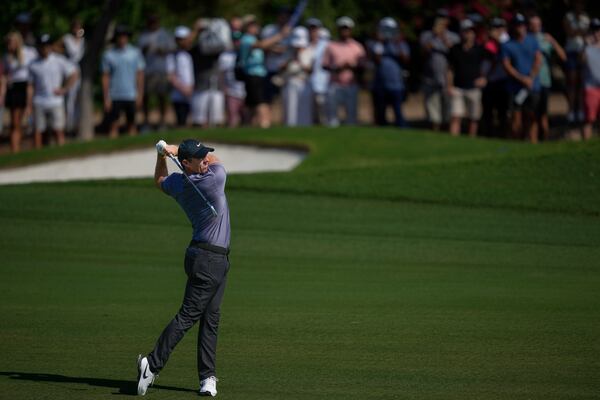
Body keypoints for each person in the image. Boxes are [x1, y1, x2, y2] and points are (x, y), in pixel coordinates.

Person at [137, 138, 231, 397]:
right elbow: (217, 161)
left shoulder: (180, 183)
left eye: (204, 156)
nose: (205, 160)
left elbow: (159, 181)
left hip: (207, 256)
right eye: (198, 158)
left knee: (211, 318)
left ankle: (207, 378)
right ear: (186, 163)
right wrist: (175, 150)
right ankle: (152, 364)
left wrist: (162, 156)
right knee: (189, 314)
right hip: (210, 260)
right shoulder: (213, 180)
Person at [238, 16, 291, 128]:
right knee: (261, 101)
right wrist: (281, 35)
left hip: (257, 75)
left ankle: (249, 125)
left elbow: (268, 47)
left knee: (252, 103)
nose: (256, 27)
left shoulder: (253, 39)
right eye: (252, 25)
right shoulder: (247, 39)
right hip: (253, 75)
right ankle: (264, 123)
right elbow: (262, 45)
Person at [27, 34, 78, 148]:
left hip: (56, 101)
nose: (44, 48)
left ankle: (61, 154)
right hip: (39, 101)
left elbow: (74, 73)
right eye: (42, 46)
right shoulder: (33, 64)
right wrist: (29, 104)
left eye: (47, 46)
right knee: (38, 131)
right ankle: (38, 156)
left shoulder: (59, 60)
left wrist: (64, 89)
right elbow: (30, 86)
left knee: (58, 130)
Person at [502, 14, 542, 143]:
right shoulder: (507, 45)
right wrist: (522, 79)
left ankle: (533, 143)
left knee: (532, 116)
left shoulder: (532, 40)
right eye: (518, 25)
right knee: (516, 117)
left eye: (523, 24)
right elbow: (507, 66)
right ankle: (517, 144)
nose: (521, 27)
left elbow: (538, 60)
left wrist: (530, 78)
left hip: (532, 85)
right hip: (515, 87)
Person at [101, 25, 145, 138]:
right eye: (119, 36)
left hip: (131, 94)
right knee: (113, 125)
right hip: (115, 95)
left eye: (124, 36)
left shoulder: (135, 53)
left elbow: (140, 75)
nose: (122, 39)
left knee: (132, 124)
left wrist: (140, 94)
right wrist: (106, 97)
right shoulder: (108, 55)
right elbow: (105, 77)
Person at [419, 10, 460, 130]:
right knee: (433, 109)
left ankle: (446, 133)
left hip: (448, 79)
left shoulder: (454, 36)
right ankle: (434, 132)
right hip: (430, 78)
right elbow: (422, 53)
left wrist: (443, 37)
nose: (441, 20)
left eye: (444, 18)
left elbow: (456, 54)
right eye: (439, 17)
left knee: (447, 109)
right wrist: (434, 37)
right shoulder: (426, 35)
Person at [322, 16, 367, 127]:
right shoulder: (331, 46)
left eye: (346, 28)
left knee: (351, 116)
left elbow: (363, 67)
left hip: (351, 85)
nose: (344, 31)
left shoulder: (357, 46)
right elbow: (324, 65)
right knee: (332, 117)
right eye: (342, 28)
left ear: (351, 30)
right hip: (334, 84)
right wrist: (337, 68)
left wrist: (351, 67)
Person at [529, 14, 566, 140]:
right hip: (531, 81)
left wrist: (553, 41)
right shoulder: (526, 39)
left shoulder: (545, 39)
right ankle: (532, 142)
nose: (536, 27)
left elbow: (563, 56)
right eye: (533, 25)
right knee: (532, 114)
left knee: (543, 113)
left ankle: (544, 140)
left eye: (538, 25)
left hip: (544, 80)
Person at [447, 19, 487, 137]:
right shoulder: (455, 49)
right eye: (465, 31)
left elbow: (487, 65)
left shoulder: (479, 49)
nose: (468, 34)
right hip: (457, 87)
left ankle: (471, 141)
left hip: (474, 87)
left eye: (470, 31)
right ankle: (453, 142)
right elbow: (450, 69)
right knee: (456, 116)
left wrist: (484, 78)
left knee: (473, 118)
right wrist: (449, 85)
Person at [370, 17, 410, 127]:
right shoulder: (376, 43)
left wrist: (397, 43)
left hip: (396, 84)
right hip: (380, 85)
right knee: (380, 114)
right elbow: (377, 59)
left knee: (398, 112)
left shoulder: (400, 43)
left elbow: (405, 59)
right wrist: (380, 42)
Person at [189, 18, 229, 128]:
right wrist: (196, 30)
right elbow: (186, 45)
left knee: (217, 120)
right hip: (201, 85)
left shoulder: (217, 45)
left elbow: (223, 44)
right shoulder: (196, 46)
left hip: (216, 85)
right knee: (199, 121)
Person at [138, 15, 175, 130]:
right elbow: (138, 50)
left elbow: (172, 47)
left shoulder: (165, 34)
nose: (153, 24)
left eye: (155, 22)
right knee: (146, 97)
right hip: (147, 70)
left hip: (161, 70)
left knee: (162, 96)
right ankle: (146, 121)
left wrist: (162, 49)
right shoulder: (143, 35)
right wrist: (145, 49)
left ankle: (162, 121)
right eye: (151, 22)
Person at [3, 31, 37, 153]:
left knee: (25, 121)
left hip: (26, 86)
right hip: (14, 88)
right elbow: (5, 76)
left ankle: (24, 147)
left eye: (11, 43)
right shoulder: (7, 57)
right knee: (14, 122)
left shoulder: (28, 53)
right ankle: (15, 149)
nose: (9, 46)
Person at [481, 17, 510, 138]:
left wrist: (497, 39)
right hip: (490, 82)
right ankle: (489, 137)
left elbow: (503, 52)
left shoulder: (507, 40)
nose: (497, 30)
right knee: (488, 113)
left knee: (503, 113)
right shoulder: (488, 43)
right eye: (495, 28)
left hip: (504, 81)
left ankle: (503, 136)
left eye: (499, 27)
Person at [563, 0, 590, 123]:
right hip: (571, 52)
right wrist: (580, 31)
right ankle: (571, 110)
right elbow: (570, 32)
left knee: (580, 82)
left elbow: (586, 34)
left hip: (582, 52)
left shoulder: (586, 17)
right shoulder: (568, 16)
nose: (579, 5)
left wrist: (577, 31)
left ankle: (579, 110)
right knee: (572, 82)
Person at [281, 26, 314, 126]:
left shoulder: (310, 52)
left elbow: (310, 70)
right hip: (291, 82)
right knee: (291, 109)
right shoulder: (288, 52)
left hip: (304, 82)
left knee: (304, 109)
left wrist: (300, 61)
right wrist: (290, 60)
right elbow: (281, 68)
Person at [218, 26, 246, 127]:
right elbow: (221, 74)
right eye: (235, 40)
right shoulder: (225, 56)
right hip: (231, 91)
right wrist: (224, 88)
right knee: (232, 117)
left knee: (246, 117)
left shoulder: (246, 53)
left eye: (238, 40)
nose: (237, 43)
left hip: (245, 90)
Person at [166, 26, 195, 127]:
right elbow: (171, 76)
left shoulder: (192, 53)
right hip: (179, 94)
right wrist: (184, 89)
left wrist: (191, 89)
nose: (181, 42)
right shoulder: (172, 55)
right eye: (179, 39)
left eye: (183, 39)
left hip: (192, 93)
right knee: (181, 121)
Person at [61, 18, 85, 133]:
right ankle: (68, 125)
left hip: (78, 69)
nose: (77, 30)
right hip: (69, 68)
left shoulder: (82, 40)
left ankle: (76, 124)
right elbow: (56, 46)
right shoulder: (67, 39)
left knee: (77, 99)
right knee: (69, 98)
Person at [306, 19, 330, 125]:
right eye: (311, 29)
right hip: (307, 82)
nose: (313, 31)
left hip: (323, 81)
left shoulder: (326, 45)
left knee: (322, 108)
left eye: (315, 29)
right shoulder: (304, 44)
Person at [582, 18, 600, 140]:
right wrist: (585, 45)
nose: (595, 33)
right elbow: (580, 61)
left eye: (598, 30)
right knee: (589, 119)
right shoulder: (586, 48)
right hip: (591, 88)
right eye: (593, 30)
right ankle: (586, 146)